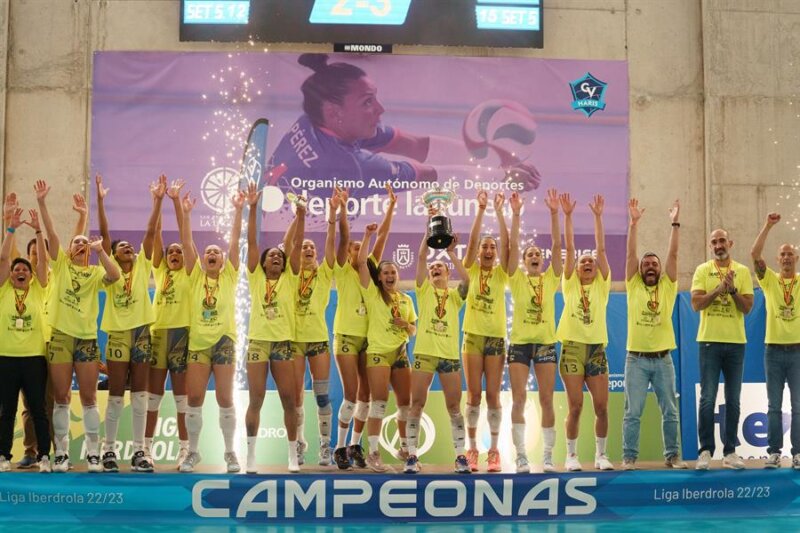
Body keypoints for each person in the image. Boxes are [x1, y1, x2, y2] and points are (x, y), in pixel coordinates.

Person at [265, 54, 538, 198]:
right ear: (335, 112)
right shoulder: (355, 167)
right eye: (368, 102)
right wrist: (500, 178)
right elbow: (430, 174)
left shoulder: (318, 120)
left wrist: (494, 157)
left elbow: (416, 145)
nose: (380, 109)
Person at [36, 179, 120, 473]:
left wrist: (101, 251)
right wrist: (43, 203)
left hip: (86, 340)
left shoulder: (96, 272)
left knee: (88, 397)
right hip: (60, 337)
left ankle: (94, 453)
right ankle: (61, 452)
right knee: (60, 397)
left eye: (85, 244)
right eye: (78, 243)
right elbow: (53, 234)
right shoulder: (60, 265)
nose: (81, 246)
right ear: (69, 251)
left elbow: (116, 276)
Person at [170, 180, 244, 473]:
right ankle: (193, 452)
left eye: (217, 251)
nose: (212, 253)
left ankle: (230, 453)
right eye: (208, 251)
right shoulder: (193, 276)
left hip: (224, 341)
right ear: (203, 259)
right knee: (195, 398)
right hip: (199, 343)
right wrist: (186, 213)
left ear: (223, 259)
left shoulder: (229, 277)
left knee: (226, 397)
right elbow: (187, 243)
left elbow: (236, 240)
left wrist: (238, 210)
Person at [331, 185, 397, 470]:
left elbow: (381, 237)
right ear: (347, 254)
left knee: (366, 396)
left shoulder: (369, 269)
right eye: (354, 248)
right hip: (346, 336)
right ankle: (338, 447)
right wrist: (343, 208)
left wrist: (391, 207)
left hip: (370, 341)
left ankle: (355, 446)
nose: (359, 250)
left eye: (362, 248)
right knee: (350, 393)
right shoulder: (342, 269)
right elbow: (345, 234)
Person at [96, 174, 158, 473]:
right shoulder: (109, 273)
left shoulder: (143, 264)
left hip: (143, 333)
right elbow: (105, 238)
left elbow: (150, 230)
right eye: (124, 248)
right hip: (119, 335)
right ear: (114, 254)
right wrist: (100, 202)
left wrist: (157, 201)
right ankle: (108, 451)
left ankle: (139, 452)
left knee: (141, 395)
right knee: (117, 393)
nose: (130, 249)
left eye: (131, 248)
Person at [622, 199, 687, 470]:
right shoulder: (633, 285)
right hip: (636, 360)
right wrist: (634, 224)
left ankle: (672, 456)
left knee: (670, 411)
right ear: (639, 270)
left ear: (660, 270)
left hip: (663, 360)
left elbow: (672, 256)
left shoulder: (668, 287)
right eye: (646, 263)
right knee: (633, 413)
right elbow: (629, 255)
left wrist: (674, 222)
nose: (650, 266)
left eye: (654, 264)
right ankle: (629, 458)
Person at [244, 181, 304, 473]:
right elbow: (252, 244)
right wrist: (253, 206)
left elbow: (294, 243)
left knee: (289, 400)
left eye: (279, 256)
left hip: (283, 343)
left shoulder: (290, 278)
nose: (277, 258)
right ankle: (251, 456)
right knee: (255, 398)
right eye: (273, 256)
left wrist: (301, 215)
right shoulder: (256, 277)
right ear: (263, 264)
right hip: (257, 342)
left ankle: (292, 455)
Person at [406, 215, 470, 474]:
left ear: (447, 272)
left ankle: (461, 457)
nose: (434, 270)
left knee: (454, 407)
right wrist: (427, 233)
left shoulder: (455, 297)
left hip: (449, 357)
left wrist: (452, 254)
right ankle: (412, 455)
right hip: (424, 354)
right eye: (433, 269)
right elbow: (421, 259)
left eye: (439, 268)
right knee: (416, 404)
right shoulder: (423, 291)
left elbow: (467, 281)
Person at [505, 189, 563, 473]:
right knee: (518, 399)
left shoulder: (551, 279)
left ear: (543, 260)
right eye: (530, 255)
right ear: (525, 261)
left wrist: (554, 213)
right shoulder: (516, 280)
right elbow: (513, 245)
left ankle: (549, 455)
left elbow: (557, 242)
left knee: (547, 398)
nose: (534, 256)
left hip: (544, 344)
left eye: (538, 254)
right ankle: (521, 456)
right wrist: (516, 214)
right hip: (519, 344)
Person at [556, 193, 612, 472]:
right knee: (575, 405)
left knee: (602, 406)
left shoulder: (601, 286)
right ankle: (571, 455)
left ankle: (602, 455)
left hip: (597, 349)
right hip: (573, 348)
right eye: (583, 262)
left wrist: (598, 217)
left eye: (590, 262)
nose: (588, 263)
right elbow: (569, 245)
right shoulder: (569, 284)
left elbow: (601, 250)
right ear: (576, 269)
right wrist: (567, 216)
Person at [283, 190, 338, 467]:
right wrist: (299, 216)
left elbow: (330, 244)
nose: (306, 250)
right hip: (293, 341)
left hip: (317, 341)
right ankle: (300, 444)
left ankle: (326, 446)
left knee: (322, 395)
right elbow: (288, 243)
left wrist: (332, 218)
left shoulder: (324, 273)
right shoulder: (291, 274)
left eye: (311, 248)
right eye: (303, 247)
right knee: (295, 398)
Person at [691, 227, 754, 470]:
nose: (719, 245)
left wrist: (733, 290)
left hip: (736, 343)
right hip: (709, 342)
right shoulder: (702, 270)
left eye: (722, 241)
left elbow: (747, 307)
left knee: (734, 399)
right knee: (707, 398)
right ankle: (705, 451)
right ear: (710, 246)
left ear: (731, 243)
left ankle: (730, 452)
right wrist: (718, 289)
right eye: (714, 242)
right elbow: (696, 304)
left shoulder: (742, 271)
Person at [357, 223, 416, 473]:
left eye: (394, 272)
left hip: (401, 353)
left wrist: (406, 325)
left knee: (405, 404)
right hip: (378, 353)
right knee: (379, 401)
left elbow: (414, 329)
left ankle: (405, 449)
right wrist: (369, 235)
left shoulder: (406, 299)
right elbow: (361, 264)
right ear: (379, 277)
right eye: (386, 273)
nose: (390, 276)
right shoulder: (372, 293)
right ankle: (372, 453)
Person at [0, 206, 51, 473]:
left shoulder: (38, 291)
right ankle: (3, 456)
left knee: (37, 409)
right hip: (6, 358)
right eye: (16, 268)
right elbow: (2, 257)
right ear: (10, 274)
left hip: (33, 359)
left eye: (25, 270)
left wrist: (37, 230)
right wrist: (10, 227)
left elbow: (43, 262)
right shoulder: (4, 290)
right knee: (6, 411)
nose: (20, 271)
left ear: (32, 276)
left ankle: (44, 456)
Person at [145, 175, 191, 469]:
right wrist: (158, 200)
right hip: (158, 334)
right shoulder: (160, 270)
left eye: (178, 252)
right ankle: (145, 450)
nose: (174, 253)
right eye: (170, 251)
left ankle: (185, 449)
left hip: (182, 335)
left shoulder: (191, 273)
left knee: (182, 398)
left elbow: (184, 235)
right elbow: (157, 233)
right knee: (153, 396)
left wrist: (177, 204)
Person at [462, 190, 509, 472]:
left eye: (492, 247)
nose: (489, 251)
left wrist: (501, 212)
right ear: (479, 253)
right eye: (485, 247)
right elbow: (469, 244)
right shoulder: (471, 270)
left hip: (495, 339)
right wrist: (481, 210)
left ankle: (493, 450)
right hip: (472, 337)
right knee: (473, 395)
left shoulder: (502, 273)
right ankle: (471, 450)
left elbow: (509, 248)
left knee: (493, 395)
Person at [750, 212, 800, 469]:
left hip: (798, 352)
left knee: (799, 404)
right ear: (777, 260)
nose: (787, 257)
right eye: (783, 254)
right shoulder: (769, 280)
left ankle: (798, 452)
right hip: (773, 351)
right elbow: (755, 255)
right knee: (774, 406)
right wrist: (767, 225)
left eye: (791, 253)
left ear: (797, 258)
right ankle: (773, 452)